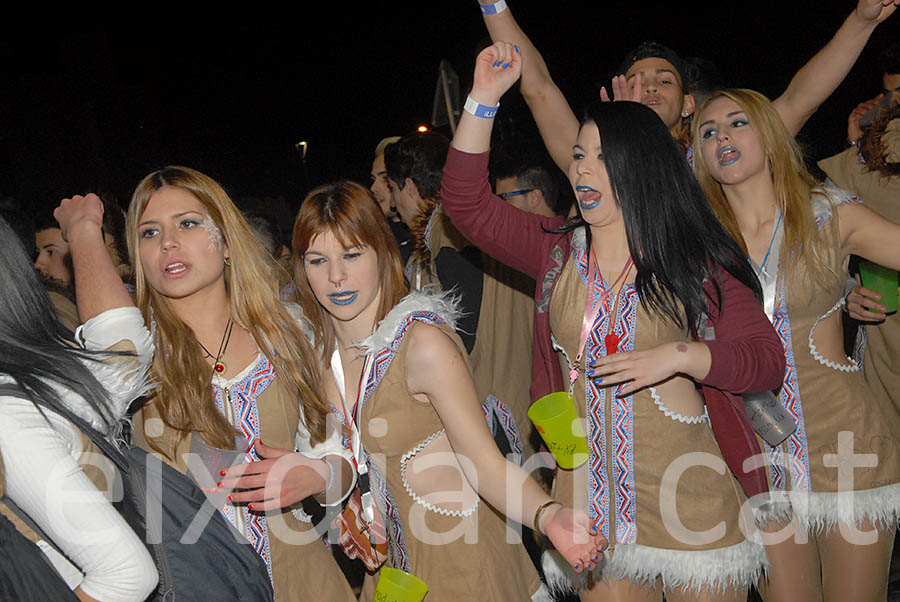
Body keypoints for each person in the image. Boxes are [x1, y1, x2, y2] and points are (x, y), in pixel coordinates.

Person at [442, 43, 785, 601]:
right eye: (578, 155)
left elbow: (766, 360)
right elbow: (465, 203)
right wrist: (482, 98)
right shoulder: (555, 251)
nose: (582, 168)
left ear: (640, 165)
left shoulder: (692, 258)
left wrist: (682, 356)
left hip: (689, 495)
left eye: (602, 156)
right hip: (588, 505)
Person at [292, 179, 607, 601]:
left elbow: (486, 466)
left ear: (384, 253)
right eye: (318, 260)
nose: (335, 276)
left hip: (466, 564)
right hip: (396, 573)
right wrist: (358, 514)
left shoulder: (422, 344)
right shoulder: (316, 357)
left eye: (352, 254)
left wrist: (548, 516)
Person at [693, 87, 900, 602]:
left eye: (737, 123)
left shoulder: (830, 213)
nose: (722, 136)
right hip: (753, 458)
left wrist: (858, 294)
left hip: (847, 445)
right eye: (708, 130)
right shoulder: (697, 240)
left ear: (770, 134)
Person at [125, 166, 356, 602]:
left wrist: (318, 473)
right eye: (149, 233)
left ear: (227, 241)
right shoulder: (130, 356)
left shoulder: (290, 333)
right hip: (193, 582)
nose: (168, 242)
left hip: (303, 579)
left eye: (188, 223)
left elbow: (339, 450)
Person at [476, 0, 898, 167]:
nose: (652, 87)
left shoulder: (717, 154)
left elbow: (800, 98)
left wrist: (861, 22)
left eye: (665, 80)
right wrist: (491, 3)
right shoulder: (596, 159)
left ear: (688, 105)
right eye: (638, 81)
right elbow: (540, 89)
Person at [0, 196, 158, 602]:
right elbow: (124, 352)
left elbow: (127, 575)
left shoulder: (8, 414)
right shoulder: (46, 373)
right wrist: (84, 229)